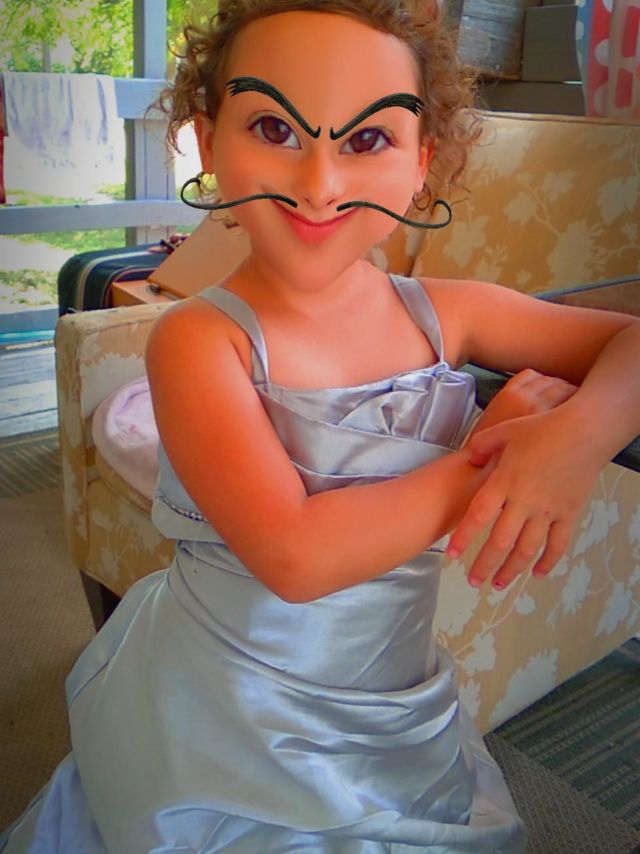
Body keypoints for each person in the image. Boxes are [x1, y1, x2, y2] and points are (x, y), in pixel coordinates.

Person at [2, 1, 639, 852]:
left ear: (423, 160)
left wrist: (573, 440)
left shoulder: (451, 312)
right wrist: (492, 458)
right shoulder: (200, 339)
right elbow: (296, 559)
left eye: (368, 139)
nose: (319, 182)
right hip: (233, 718)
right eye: (274, 128)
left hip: (394, 704)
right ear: (209, 142)